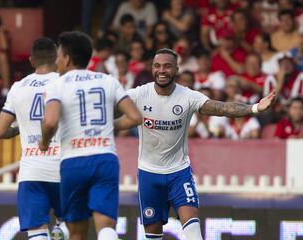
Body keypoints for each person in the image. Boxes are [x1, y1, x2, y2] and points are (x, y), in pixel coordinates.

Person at [114, 48, 275, 240]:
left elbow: (221, 108)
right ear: (152, 68)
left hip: (179, 173)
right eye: (157, 66)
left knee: (193, 233)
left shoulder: (188, 97)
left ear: (176, 69)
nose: (162, 70)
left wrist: (255, 108)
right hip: (149, 175)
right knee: (152, 236)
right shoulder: (138, 95)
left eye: (167, 66)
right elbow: (109, 102)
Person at [39, 31, 142, 240]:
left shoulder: (56, 84)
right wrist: (109, 125)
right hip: (104, 158)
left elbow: (50, 121)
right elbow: (135, 117)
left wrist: (44, 142)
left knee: (76, 232)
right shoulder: (108, 80)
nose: (56, 60)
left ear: (67, 59)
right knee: (105, 226)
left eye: (58, 55)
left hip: (73, 161)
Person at [0, 37, 65, 240]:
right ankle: (63, 231)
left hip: (31, 171)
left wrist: (19, 129)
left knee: (36, 231)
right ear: (57, 58)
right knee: (73, 223)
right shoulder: (65, 83)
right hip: (63, 168)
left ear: (31, 60)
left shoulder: (18, 87)